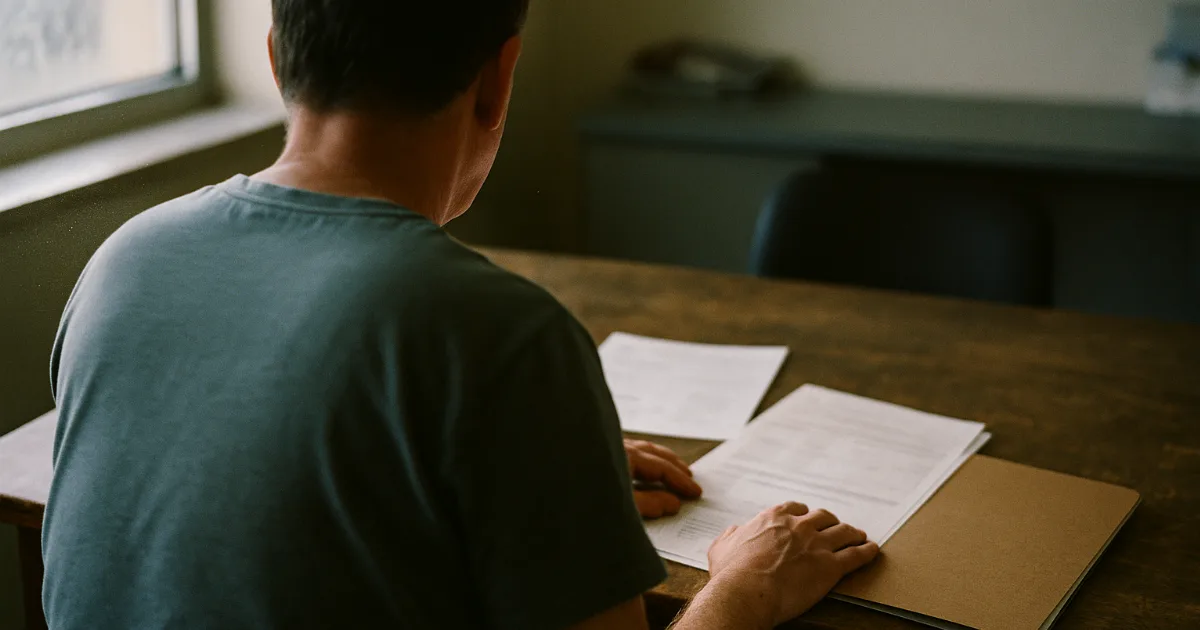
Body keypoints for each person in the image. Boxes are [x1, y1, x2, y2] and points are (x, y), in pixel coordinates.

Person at [40, 1, 878, 628]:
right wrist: (744, 589)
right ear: (498, 77)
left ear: (275, 58)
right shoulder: (496, 331)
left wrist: (527, 464)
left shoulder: (124, 257)